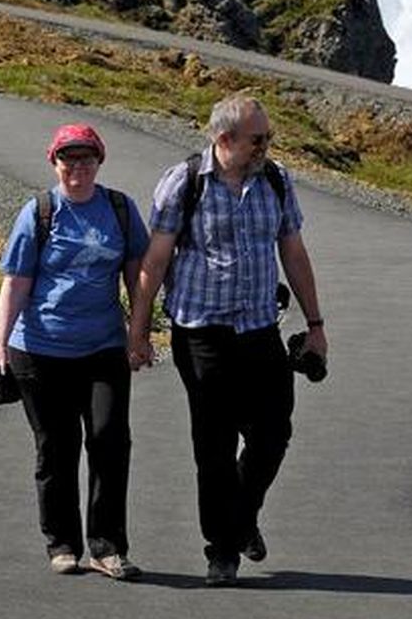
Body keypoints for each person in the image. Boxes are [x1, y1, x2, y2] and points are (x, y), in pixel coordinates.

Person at [129, 94, 327, 586]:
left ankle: (241, 518)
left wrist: (317, 325)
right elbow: (155, 261)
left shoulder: (276, 181)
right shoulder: (184, 183)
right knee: (213, 445)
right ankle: (222, 550)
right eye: (258, 139)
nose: (267, 146)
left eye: (268, 137)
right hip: (201, 334)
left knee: (272, 434)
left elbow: (294, 253)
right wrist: (137, 328)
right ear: (224, 139)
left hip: (260, 329)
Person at [0, 123, 150, 579]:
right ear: (54, 163)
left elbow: (138, 273)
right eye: (67, 159)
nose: (77, 167)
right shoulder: (38, 212)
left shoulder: (119, 209)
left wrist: (139, 333)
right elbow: (15, 282)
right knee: (56, 448)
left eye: (86, 159)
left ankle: (107, 546)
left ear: (99, 162)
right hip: (39, 349)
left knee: (110, 440)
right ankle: (62, 544)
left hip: (103, 347)